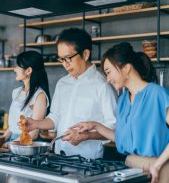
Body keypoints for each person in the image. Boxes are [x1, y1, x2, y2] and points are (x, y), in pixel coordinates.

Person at [68, 42, 169, 183]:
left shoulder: (158, 94)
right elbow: (121, 139)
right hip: (131, 166)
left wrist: (157, 166)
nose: (107, 80)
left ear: (126, 68)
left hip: (159, 168)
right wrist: (95, 125)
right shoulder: (123, 100)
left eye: (108, 72)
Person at [21, 28, 117, 158]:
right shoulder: (62, 83)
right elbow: (55, 117)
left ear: (85, 54)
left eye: (68, 58)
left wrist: (86, 136)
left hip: (87, 161)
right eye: (61, 59)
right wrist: (36, 123)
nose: (65, 64)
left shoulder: (103, 85)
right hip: (59, 155)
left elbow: (113, 128)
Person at [3, 50, 50, 141]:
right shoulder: (17, 92)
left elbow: (33, 133)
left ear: (28, 70)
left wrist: (11, 144)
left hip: (26, 143)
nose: (14, 69)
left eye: (17, 66)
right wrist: (1, 140)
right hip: (13, 141)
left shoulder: (39, 96)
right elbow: (13, 127)